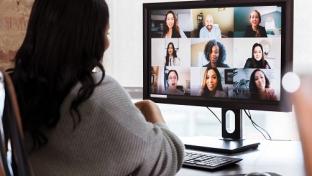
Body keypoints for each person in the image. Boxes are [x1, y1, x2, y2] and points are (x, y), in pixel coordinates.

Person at [11, 0, 184, 175]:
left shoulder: (20, 89)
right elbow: (169, 158)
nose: (107, 44)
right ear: (86, 37)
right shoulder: (95, 95)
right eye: (105, 33)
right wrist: (150, 108)